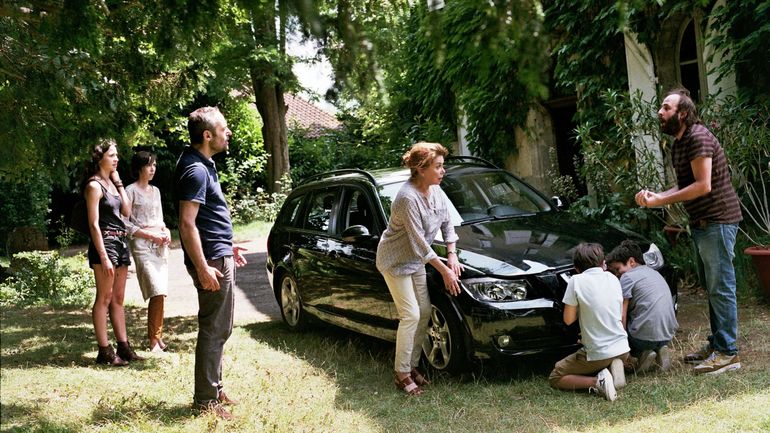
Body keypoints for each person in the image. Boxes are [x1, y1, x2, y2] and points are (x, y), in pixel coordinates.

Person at [635, 87, 742, 375]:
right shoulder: (679, 143)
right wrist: (655, 197)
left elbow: (703, 185)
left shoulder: (698, 136)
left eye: (666, 108)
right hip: (702, 223)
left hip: (718, 221)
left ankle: (728, 353)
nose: (660, 112)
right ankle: (718, 343)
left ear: (682, 113)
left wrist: (662, 200)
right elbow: (685, 187)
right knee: (712, 287)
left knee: (721, 287)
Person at [175, 106, 248, 420]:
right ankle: (205, 399)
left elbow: (205, 219)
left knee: (221, 327)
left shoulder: (204, 164)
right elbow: (186, 224)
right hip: (211, 260)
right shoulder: (195, 170)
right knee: (213, 328)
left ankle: (215, 389)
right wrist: (203, 266)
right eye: (223, 128)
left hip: (219, 253)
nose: (227, 133)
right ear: (207, 135)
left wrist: (228, 245)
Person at [376, 141, 463, 396]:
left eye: (442, 166)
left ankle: (412, 366)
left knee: (424, 313)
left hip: (416, 261)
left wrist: (452, 255)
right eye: (438, 167)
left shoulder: (437, 190)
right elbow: (419, 243)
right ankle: (401, 373)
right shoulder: (406, 198)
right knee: (411, 315)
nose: (442, 171)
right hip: (395, 261)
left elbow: (448, 223)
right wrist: (444, 270)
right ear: (421, 169)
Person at [82, 139, 144, 366]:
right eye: (112, 155)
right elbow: (93, 225)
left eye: (117, 155)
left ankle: (124, 347)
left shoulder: (111, 184)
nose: (116, 159)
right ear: (100, 158)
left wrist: (118, 184)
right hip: (105, 243)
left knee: (118, 298)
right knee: (104, 297)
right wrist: (104, 256)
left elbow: (126, 212)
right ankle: (104, 351)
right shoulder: (94, 186)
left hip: (121, 241)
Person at [548, 243, 629, 402]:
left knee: (556, 376)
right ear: (603, 263)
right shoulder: (613, 278)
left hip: (600, 353)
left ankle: (598, 382)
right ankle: (614, 365)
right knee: (606, 355)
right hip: (623, 348)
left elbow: (568, 319)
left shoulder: (576, 281)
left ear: (576, 268)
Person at [606, 240, 678, 373]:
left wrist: (620, 344)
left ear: (631, 262)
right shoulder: (654, 273)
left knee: (617, 324)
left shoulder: (627, 277)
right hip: (668, 335)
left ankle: (641, 354)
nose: (617, 274)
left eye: (617, 269)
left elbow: (622, 313)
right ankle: (660, 348)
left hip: (642, 339)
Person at [125, 151, 171, 353]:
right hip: (143, 246)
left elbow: (160, 219)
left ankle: (157, 337)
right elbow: (125, 224)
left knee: (161, 293)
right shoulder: (130, 191)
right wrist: (150, 236)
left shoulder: (157, 191)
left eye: (154, 164)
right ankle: (153, 340)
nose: (152, 168)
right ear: (139, 168)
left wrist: (166, 231)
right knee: (155, 289)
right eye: (148, 165)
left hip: (160, 246)